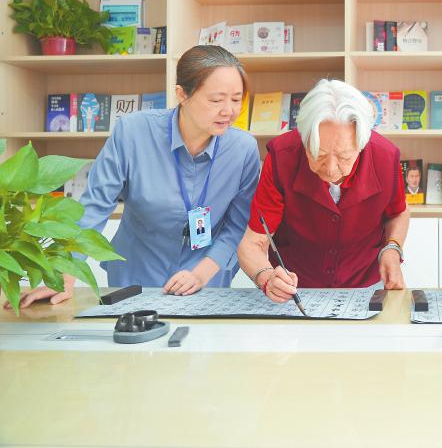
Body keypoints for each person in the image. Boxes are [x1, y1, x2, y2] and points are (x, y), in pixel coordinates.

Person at [8, 45, 261, 309]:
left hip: (207, 279)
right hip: (136, 275)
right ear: (182, 94)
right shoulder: (133, 132)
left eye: (236, 99)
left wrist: (201, 274)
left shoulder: (243, 149)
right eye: (216, 100)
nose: (229, 111)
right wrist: (64, 274)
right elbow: (96, 205)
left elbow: (237, 225)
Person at [237, 79, 410, 304]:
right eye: (318, 154)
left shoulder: (385, 157)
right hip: (294, 292)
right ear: (303, 137)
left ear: (362, 144)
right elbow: (253, 242)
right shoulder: (282, 157)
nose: (330, 169)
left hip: (365, 286)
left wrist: (392, 248)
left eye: (344, 157)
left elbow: (398, 212)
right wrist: (266, 277)